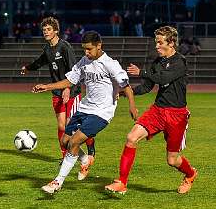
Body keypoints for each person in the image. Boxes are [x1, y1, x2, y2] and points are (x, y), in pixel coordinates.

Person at [33, 31, 138, 194]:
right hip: (85, 108)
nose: (86, 53)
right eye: (84, 49)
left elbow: (126, 86)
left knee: (74, 142)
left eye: (89, 49)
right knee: (64, 141)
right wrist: (47, 86)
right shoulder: (84, 61)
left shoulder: (110, 64)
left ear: (99, 46)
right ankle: (84, 160)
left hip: (102, 113)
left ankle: (57, 182)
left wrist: (132, 106)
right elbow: (70, 80)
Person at [105, 26, 197, 195]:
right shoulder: (157, 62)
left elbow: (164, 78)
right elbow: (147, 87)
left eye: (160, 42)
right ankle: (122, 183)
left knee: (172, 160)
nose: (156, 46)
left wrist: (142, 72)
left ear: (170, 42)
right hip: (157, 111)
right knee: (131, 138)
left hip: (176, 115)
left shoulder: (180, 61)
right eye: (156, 42)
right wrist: (127, 92)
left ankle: (190, 174)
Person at [20, 17, 96, 162]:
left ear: (56, 30)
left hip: (72, 91)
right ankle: (65, 156)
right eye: (44, 30)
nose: (46, 32)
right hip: (56, 92)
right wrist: (28, 68)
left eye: (49, 29)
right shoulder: (48, 48)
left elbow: (75, 70)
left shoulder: (65, 47)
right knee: (61, 125)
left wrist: (68, 88)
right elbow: (40, 61)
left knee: (71, 125)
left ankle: (90, 145)